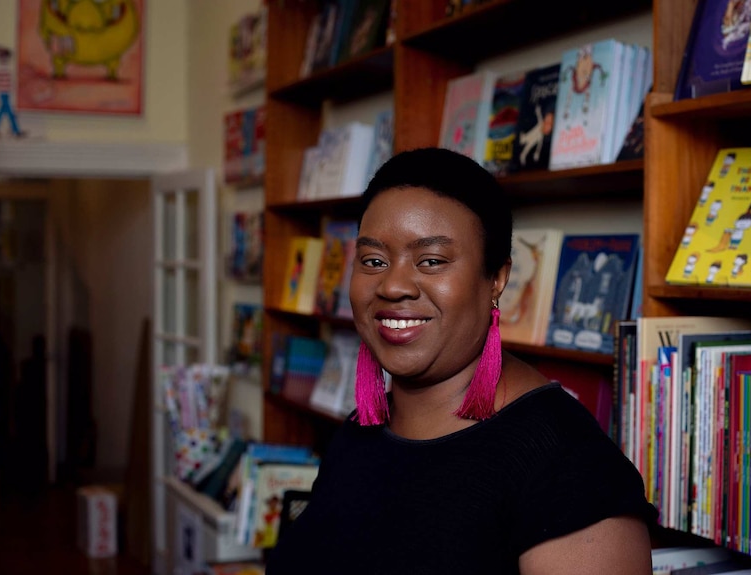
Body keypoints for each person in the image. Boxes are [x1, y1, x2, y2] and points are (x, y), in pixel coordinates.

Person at [267, 147, 657, 574]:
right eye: (374, 261)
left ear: (497, 278)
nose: (393, 286)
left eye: (431, 261)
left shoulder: (570, 467)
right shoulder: (357, 434)